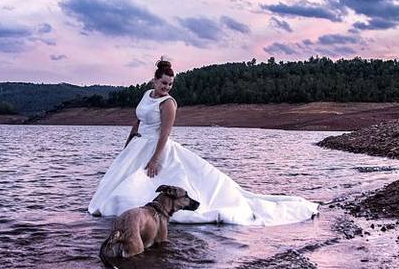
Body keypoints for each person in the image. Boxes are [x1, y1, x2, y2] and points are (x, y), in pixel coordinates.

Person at [88, 57, 319, 225]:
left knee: (146, 185)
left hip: (156, 147)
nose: (167, 87)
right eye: (163, 83)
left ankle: (151, 216)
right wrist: (128, 144)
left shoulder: (168, 103)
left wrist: (155, 159)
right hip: (137, 146)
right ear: (154, 80)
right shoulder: (146, 96)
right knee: (117, 184)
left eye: (170, 84)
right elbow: (138, 121)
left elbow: (165, 133)